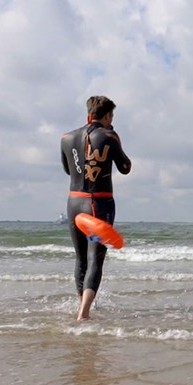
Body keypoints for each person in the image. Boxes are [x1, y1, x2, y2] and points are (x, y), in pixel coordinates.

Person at [61, 96, 131, 321]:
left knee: (80, 259)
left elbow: (67, 169)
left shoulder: (66, 137)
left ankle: (82, 305)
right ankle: (84, 314)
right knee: (95, 259)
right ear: (108, 116)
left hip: (74, 203)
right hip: (98, 204)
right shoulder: (109, 136)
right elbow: (125, 167)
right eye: (112, 116)